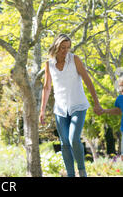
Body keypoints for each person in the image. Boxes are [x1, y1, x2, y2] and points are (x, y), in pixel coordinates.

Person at [39, 33, 103, 177]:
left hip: (78, 105)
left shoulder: (75, 60)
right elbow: (47, 87)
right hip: (60, 109)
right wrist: (42, 111)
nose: (65, 51)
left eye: (68, 47)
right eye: (62, 47)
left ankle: (82, 171)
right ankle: (70, 174)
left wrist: (96, 103)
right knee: (65, 143)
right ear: (56, 46)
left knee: (74, 138)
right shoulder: (49, 64)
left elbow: (87, 81)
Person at [99, 77, 123, 161]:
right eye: (120, 86)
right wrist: (104, 111)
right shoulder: (120, 99)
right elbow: (118, 110)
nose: (121, 88)